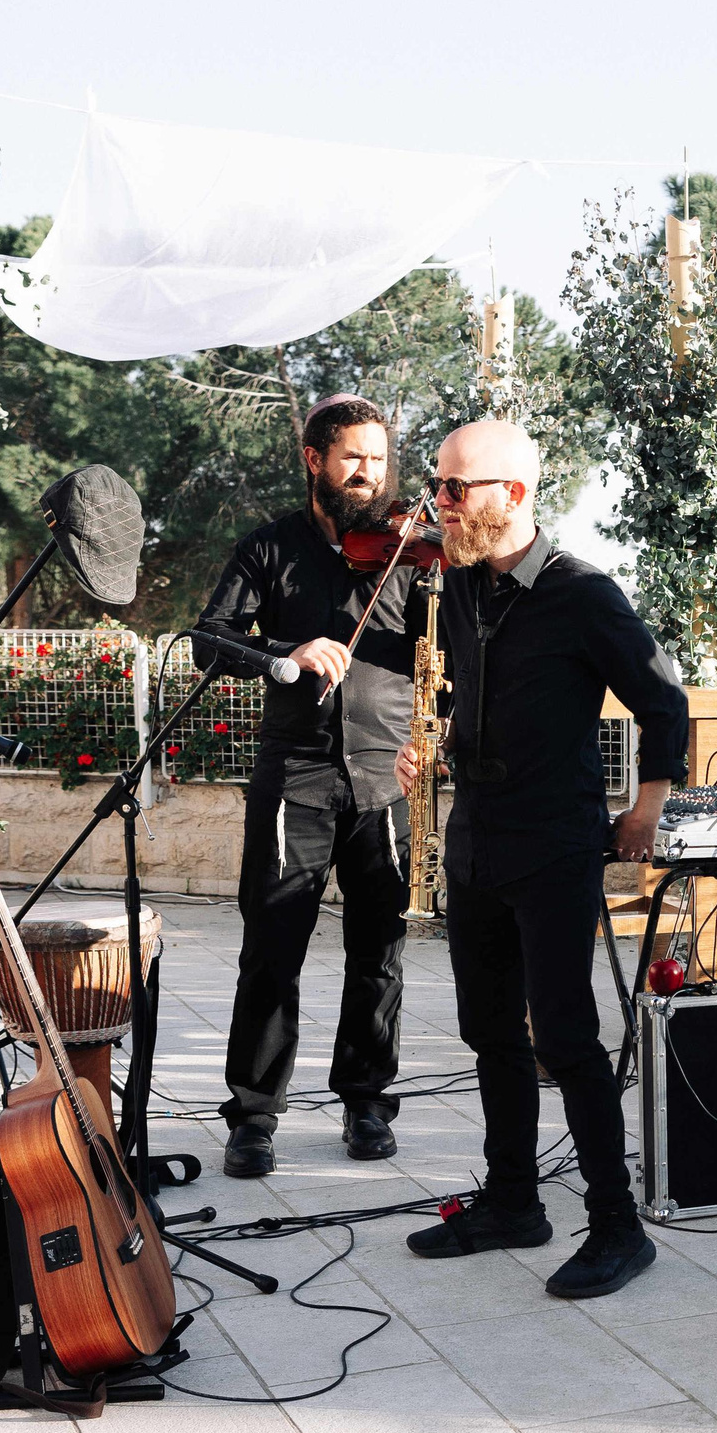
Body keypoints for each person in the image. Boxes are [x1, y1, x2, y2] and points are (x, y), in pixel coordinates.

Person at [395, 419, 690, 1299]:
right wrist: (426, 750)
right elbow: (452, 697)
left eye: (454, 488)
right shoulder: (454, 588)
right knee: (489, 1030)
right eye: (437, 486)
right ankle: (514, 1202)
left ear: (513, 495)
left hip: (555, 836)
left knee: (563, 1036)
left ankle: (617, 1227)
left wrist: (646, 806)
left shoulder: (583, 592)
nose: (437, 502)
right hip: (477, 828)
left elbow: (662, 699)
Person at [196, 394, 424, 1178]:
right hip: (295, 777)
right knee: (272, 949)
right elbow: (208, 639)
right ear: (315, 460)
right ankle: (253, 1115)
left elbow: (455, 649)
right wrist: (287, 650)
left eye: (378, 459)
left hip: (386, 778)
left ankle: (367, 1100)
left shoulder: (409, 552)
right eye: (353, 458)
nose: (369, 474)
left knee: (380, 951)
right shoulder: (270, 548)